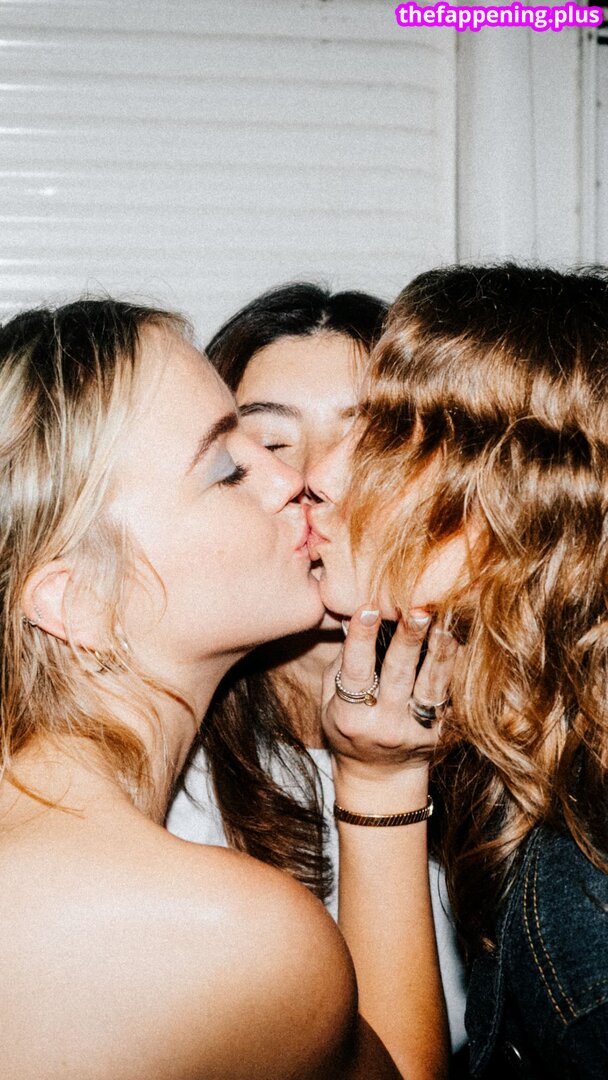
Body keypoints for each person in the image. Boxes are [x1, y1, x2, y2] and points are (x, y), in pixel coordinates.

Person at [0, 297, 451, 1079]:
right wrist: (382, 788)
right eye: (229, 467)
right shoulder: (224, 930)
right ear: (82, 602)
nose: (296, 480)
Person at [306, 264, 608, 1078]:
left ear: (520, 493)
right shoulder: (524, 759)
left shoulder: (581, 925)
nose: (322, 478)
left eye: (389, 433)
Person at [166, 282, 468, 1052]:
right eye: (268, 444)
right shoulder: (170, 769)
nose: (311, 480)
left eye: (366, 442)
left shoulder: (507, 728)